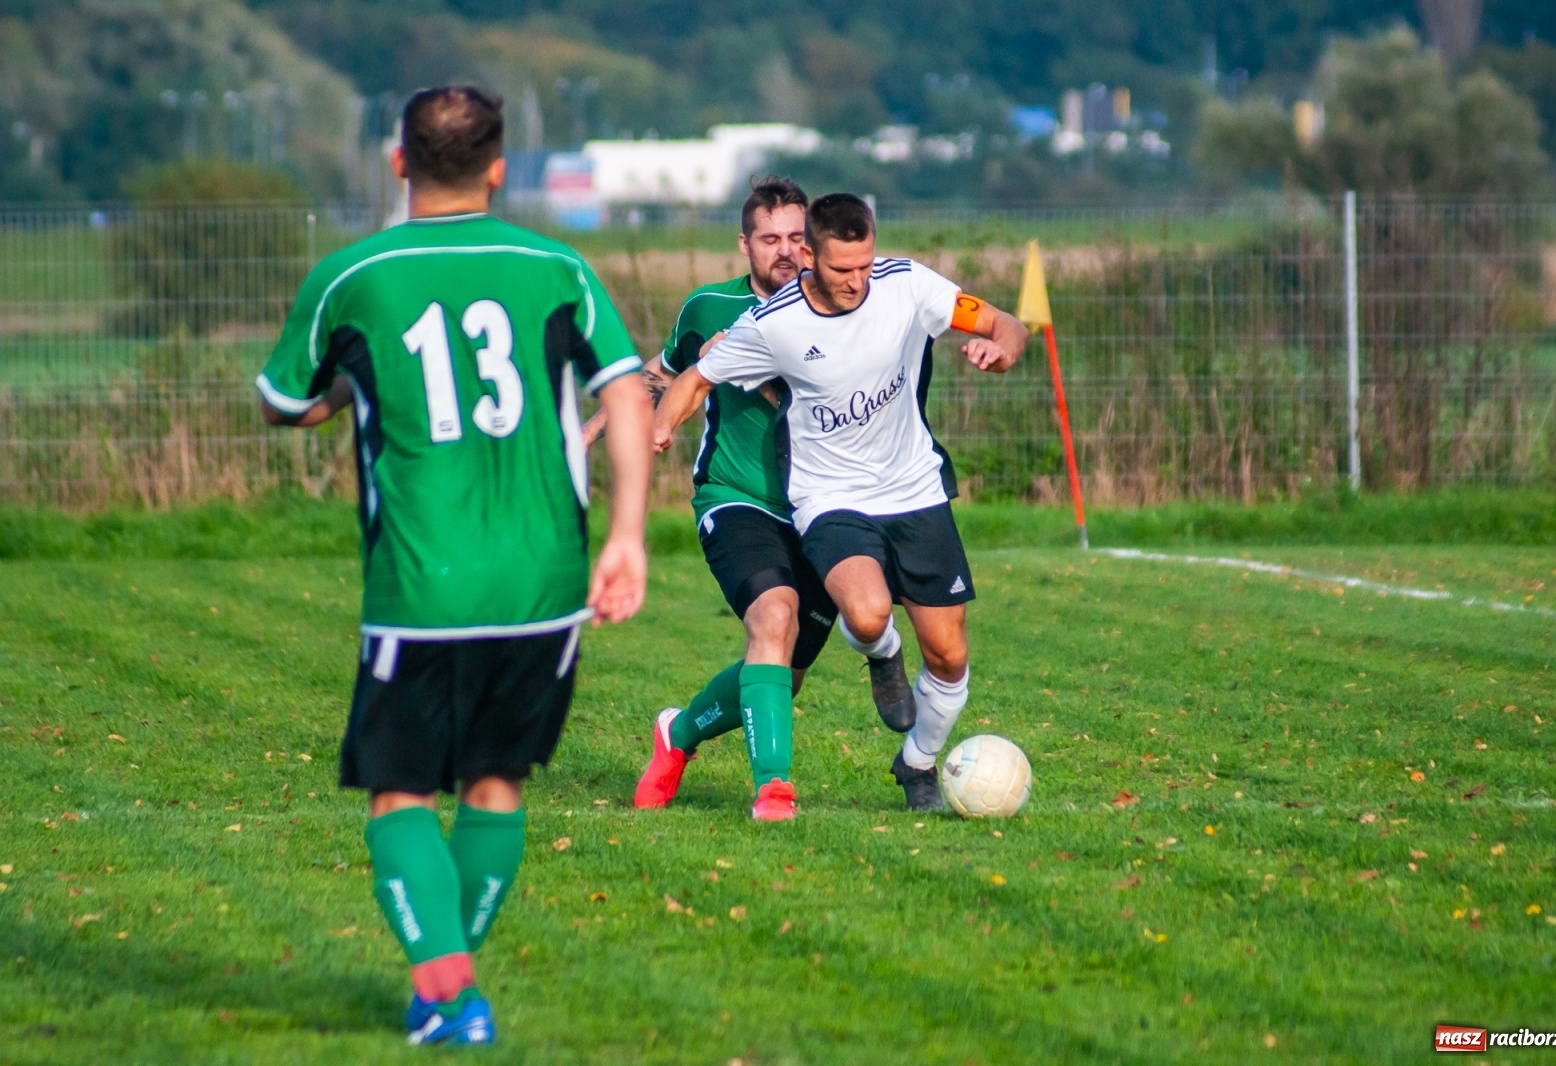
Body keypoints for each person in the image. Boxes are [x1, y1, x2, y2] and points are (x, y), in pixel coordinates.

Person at [256, 86, 651, 1045]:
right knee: (495, 785)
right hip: (544, 583)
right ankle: (444, 990)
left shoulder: (353, 275)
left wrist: (349, 389)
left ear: (398, 163)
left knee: (400, 794)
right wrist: (628, 535)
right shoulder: (558, 267)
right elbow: (627, 391)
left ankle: (450, 994)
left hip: (420, 589)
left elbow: (282, 401)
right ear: (498, 169)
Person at [653, 192, 1028, 810]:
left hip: (915, 488)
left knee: (950, 655)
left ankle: (917, 763)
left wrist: (1004, 347)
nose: (857, 281)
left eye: (864, 265)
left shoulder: (908, 285)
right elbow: (696, 378)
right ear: (810, 255)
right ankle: (881, 654)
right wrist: (664, 425)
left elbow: (1001, 321)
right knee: (868, 614)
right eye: (841, 269)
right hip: (829, 497)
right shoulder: (774, 324)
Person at [606, 178, 913, 822]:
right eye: (769, 239)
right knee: (774, 618)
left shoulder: (850, 313)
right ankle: (773, 790)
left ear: (816, 244)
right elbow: (665, 371)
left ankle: (677, 733)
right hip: (737, 497)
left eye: (797, 237)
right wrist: (612, 420)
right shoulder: (710, 308)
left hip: (825, 509)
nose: (785, 250)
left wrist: (749, 363)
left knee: (782, 674)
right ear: (744, 244)